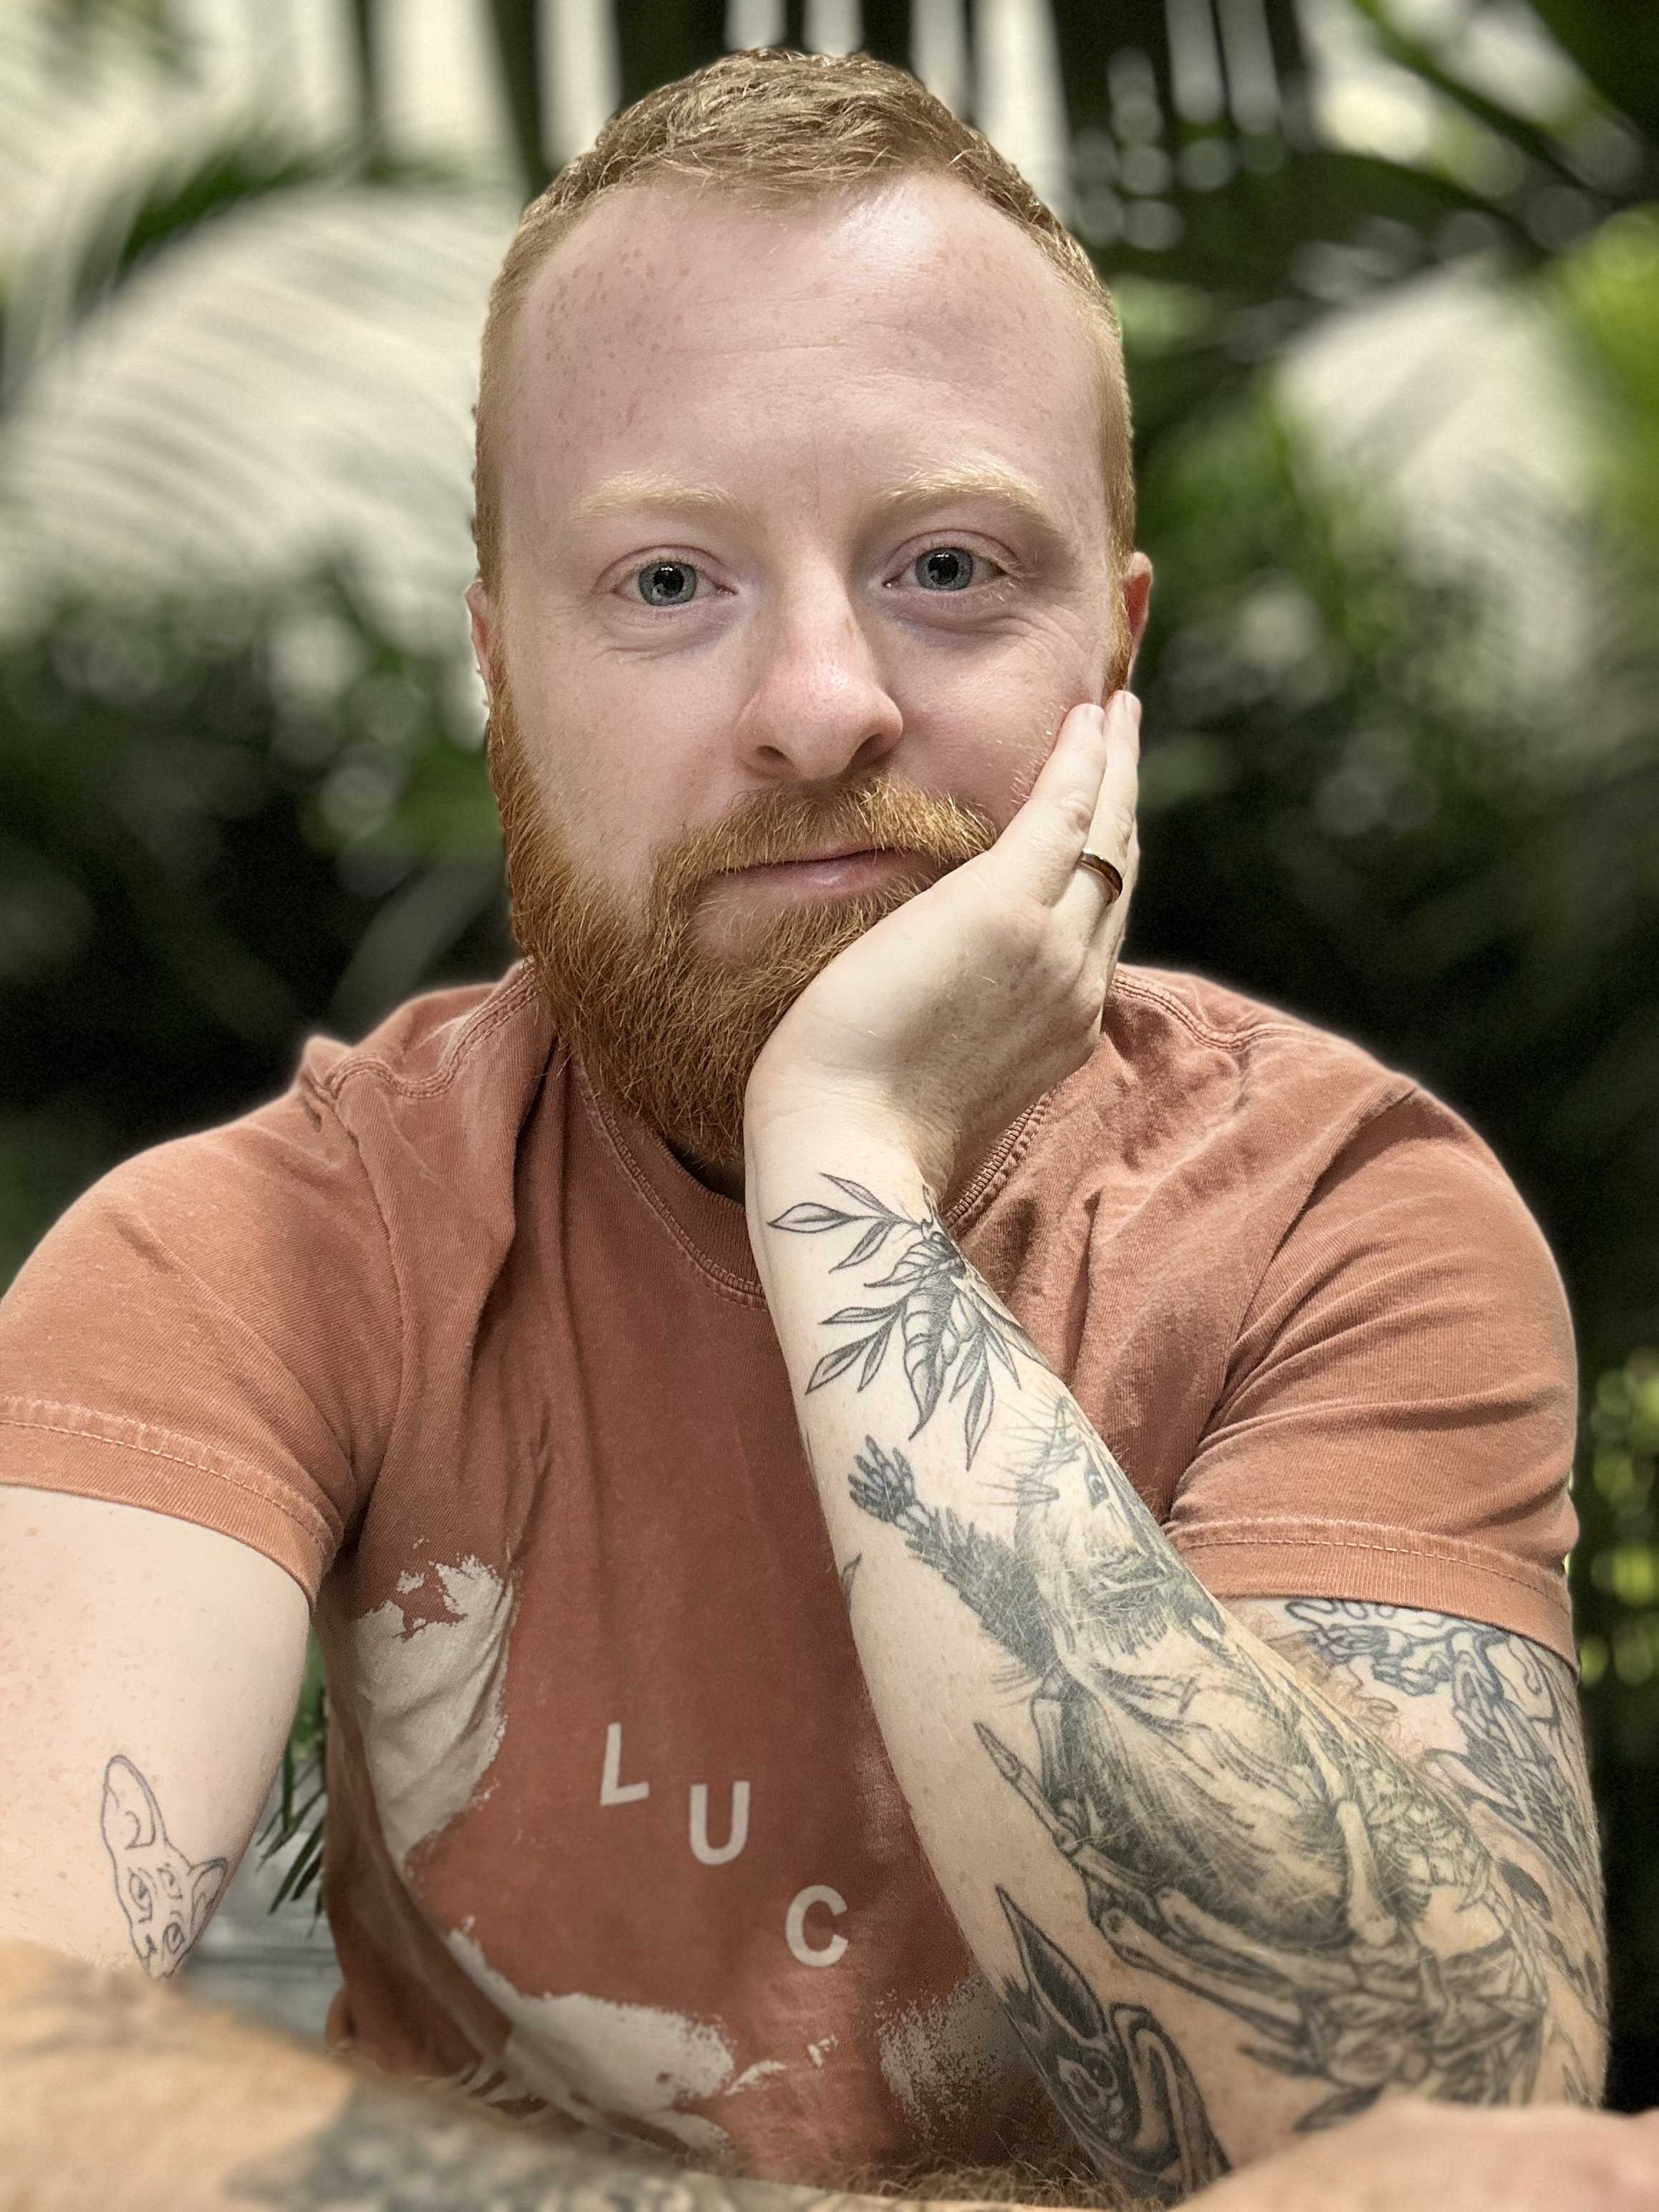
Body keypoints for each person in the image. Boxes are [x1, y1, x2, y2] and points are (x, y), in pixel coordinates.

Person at [0, 47, 1606, 2209]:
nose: (823, 705)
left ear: (1112, 658)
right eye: (669, 583)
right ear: (499, 667)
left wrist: (841, 1170)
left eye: (947, 563)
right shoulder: (263, 1250)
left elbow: (1443, 2115)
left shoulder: (1339, 1214)